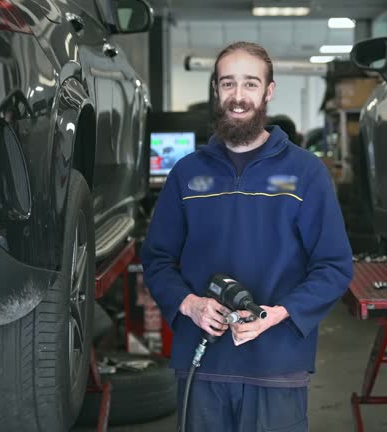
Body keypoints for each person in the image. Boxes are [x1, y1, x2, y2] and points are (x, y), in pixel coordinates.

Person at [141, 41, 353, 432]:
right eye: (228, 84)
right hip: (201, 367)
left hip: (277, 365)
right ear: (216, 90)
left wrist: (281, 313)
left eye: (250, 84)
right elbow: (157, 259)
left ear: (268, 92)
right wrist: (188, 304)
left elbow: (334, 266)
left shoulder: (307, 173)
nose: (238, 97)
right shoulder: (187, 173)